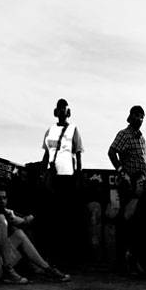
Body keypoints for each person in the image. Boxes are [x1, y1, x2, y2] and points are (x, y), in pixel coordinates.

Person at [0, 187, 70, 283]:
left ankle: (47, 269)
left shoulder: (5, 213)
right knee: (2, 219)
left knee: (18, 234)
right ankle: (9, 270)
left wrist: (28, 218)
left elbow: (23, 221)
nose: (2, 201)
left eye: (4, 198)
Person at [39, 98, 84, 264]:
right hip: (54, 177)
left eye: (64, 109)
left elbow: (78, 154)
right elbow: (45, 154)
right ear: (56, 111)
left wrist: (78, 175)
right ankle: (55, 255)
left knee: (67, 216)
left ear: (68, 112)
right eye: (59, 109)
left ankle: (68, 256)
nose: (62, 112)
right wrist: (42, 175)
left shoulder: (73, 130)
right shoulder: (50, 131)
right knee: (54, 216)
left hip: (68, 178)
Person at [108, 105, 146, 208]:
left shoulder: (141, 137)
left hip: (142, 184)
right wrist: (121, 171)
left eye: (142, 117)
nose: (140, 119)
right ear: (131, 116)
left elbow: (144, 155)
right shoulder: (124, 134)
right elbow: (111, 152)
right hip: (129, 184)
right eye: (137, 116)